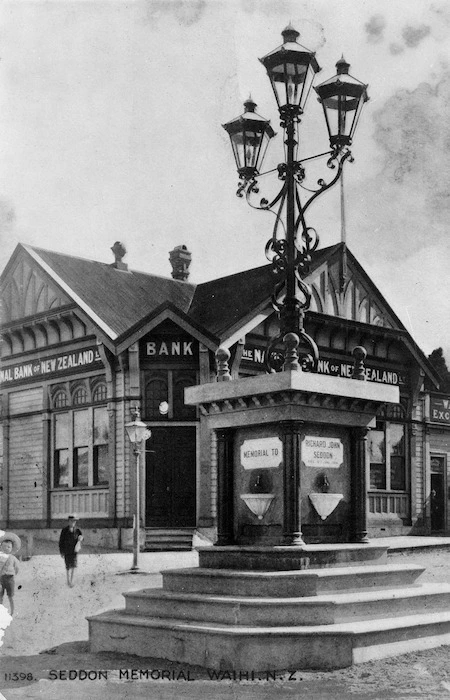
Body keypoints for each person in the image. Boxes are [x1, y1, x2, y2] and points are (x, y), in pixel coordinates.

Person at [0, 532, 21, 617]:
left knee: (10, 596)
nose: (6, 549)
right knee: (0, 596)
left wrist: (13, 574)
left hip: (10, 579)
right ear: (1, 547)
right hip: (0, 578)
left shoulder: (13, 558)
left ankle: (12, 612)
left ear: (12, 548)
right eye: (4, 547)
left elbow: (17, 568)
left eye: (8, 547)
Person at [59, 515, 83, 587]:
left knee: (74, 565)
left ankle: (71, 581)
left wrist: (81, 538)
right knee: (68, 566)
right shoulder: (64, 530)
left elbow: (81, 537)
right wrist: (62, 552)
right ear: (68, 522)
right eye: (71, 521)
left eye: (74, 521)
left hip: (74, 551)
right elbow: (61, 542)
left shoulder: (77, 530)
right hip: (67, 551)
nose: (73, 523)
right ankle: (68, 580)